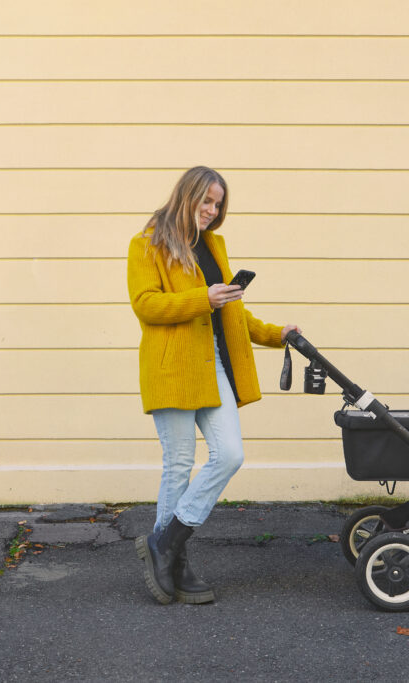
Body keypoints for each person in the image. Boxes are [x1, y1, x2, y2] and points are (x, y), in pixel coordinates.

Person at [127, 166, 300, 605]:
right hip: (173, 368)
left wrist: (275, 333)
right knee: (180, 462)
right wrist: (202, 299)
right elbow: (146, 305)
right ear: (185, 196)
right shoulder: (147, 244)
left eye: (218, 204)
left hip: (214, 366)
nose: (211, 210)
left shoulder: (212, 246)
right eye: (206, 201)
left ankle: (164, 543)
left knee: (230, 454)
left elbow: (232, 313)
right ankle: (175, 561)